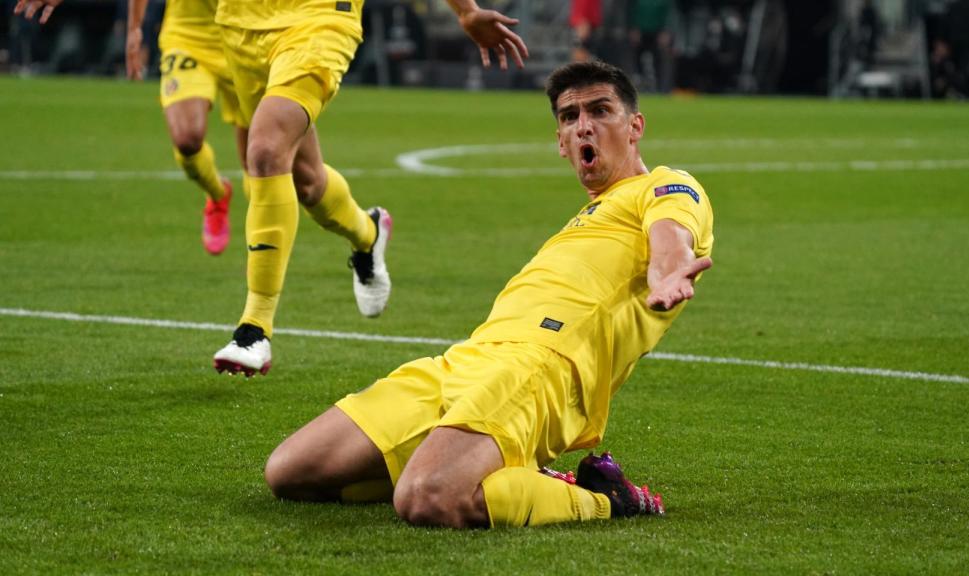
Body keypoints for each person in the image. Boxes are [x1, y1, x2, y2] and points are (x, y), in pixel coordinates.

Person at [261, 61, 714, 528]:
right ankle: (477, 462)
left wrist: (667, 276)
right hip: (468, 359)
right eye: (569, 116)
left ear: (635, 126)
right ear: (560, 142)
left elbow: (671, 239)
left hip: (541, 367)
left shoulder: (663, 186)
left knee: (426, 499)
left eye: (600, 111)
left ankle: (605, 498)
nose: (584, 126)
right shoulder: (590, 215)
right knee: (290, 473)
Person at [16, 0, 530, 377]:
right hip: (238, 29)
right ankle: (367, 233)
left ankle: (254, 330)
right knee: (304, 182)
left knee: (264, 151)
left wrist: (464, 11)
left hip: (317, 21)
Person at [126, 0, 246, 256]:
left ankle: (266, 258)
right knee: (186, 138)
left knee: (264, 161)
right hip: (188, 35)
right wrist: (135, 28)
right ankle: (217, 193)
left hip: (246, 36)